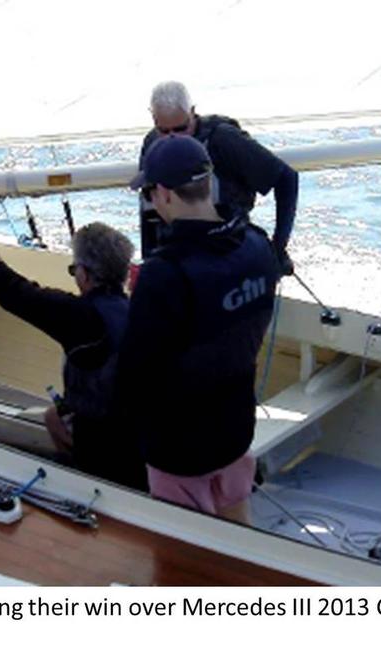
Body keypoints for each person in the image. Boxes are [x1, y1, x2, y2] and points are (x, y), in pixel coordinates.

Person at [118, 135, 280, 522]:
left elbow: (133, 374)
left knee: (186, 563)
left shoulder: (164, 274)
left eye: (151, 194)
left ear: (164, 194)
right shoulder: (258, 247)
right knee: (238, 538)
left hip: (180, 450)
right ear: (209, 184)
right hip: (236, 431)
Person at [0, 215, 147, 491]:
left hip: (106, 453)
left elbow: (9, 288)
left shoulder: (82, 318)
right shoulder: (139, 312)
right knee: (53, 416)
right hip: (143, 441)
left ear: (83, 274)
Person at [134, 81, 297, 274]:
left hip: (227, 253)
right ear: (153, 119)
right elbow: (148, 210)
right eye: (163, 131)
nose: (172, 138)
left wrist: (278, 247)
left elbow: (285, 177)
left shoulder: (224, 139)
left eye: (181, 129)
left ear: (192, 112)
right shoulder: (152, 145)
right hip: (178, 258)